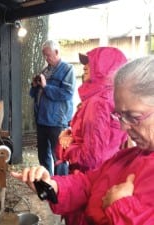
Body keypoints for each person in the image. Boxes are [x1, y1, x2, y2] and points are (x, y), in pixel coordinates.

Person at [12, 56, 154, 225]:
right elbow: (89, 183)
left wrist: (120, 207)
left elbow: (92, 154)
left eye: (133, 116)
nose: (124, 128)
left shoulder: (97, 104)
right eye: (120, 116)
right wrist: (52, 186)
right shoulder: (131, 156)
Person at [57, 47, 128, 177]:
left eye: (93, 62)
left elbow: (90, 158)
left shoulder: (98, 103)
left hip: (89, 178)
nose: (85, 66)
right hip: (108, 173)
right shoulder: (114, 98)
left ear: (106, 68)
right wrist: (73, 135)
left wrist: (64, 146)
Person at [30, 40, 76, 176]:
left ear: (56, 52)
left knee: (59, 155)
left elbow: (67, 94)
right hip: (42, 119)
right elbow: (34, 94)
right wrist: (34, 85)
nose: (46, 58)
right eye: (44, 55)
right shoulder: (45, 71)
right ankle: (46, 181)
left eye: (48, 55)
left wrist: (45, 86)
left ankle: (61, 186)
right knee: (43, 154)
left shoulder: (68, 69)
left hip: (58, 121)